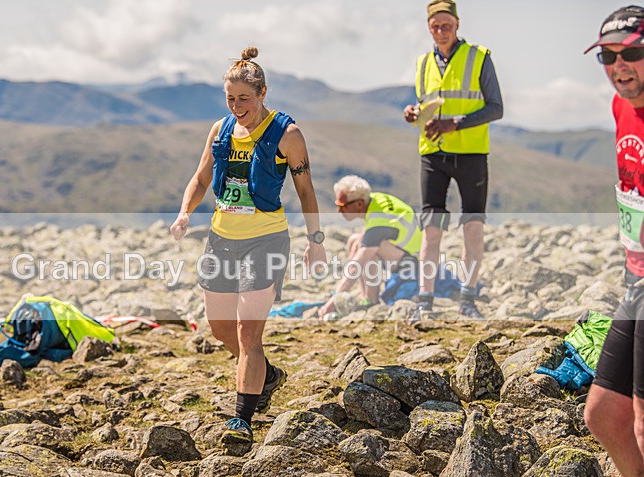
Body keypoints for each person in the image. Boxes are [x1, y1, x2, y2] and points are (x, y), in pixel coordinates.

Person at [170, 47, 326, 453]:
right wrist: (185, 212)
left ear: (262, 93)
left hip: (267, 240)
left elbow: (305, 189)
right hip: (222, 239)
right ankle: (266, 374)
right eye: (230, 99)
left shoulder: (287, 135)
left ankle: (241, 417)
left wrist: (316, 241)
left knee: (247, 330)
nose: (238, 107)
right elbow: (202, 177)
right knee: (221, 329)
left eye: (245, 99)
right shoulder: (220, 129)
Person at [403, 0, 503, 321]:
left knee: (472, 227)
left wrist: (455, 122)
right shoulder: (421, 63)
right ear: (428, 28)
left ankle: (468, 299)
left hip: (472, 154)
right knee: (431, 229)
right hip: (433, 153)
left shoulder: (480, 57)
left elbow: (495, 108)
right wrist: (414, 114)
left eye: (447, 25)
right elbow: (427, 105)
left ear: (457, 25)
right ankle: (425, 300)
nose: (441, 31)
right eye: (435, 26)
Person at [584, 5, 644, 477]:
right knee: (605, 414)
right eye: (609, 56)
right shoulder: (620, 105)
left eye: (633, 53)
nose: (621, 65)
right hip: (637, 278)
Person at [317, 175, 421, 318]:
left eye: (343, 206)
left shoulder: (379, 219)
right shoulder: (374, 199)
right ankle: (365, 296)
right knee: (355, 240)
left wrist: (334, 298)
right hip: (403, 254)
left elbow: (356, 265)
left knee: (365, 249)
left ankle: (372, 301)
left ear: (359, 204)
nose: (339, 211)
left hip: (414, 264)